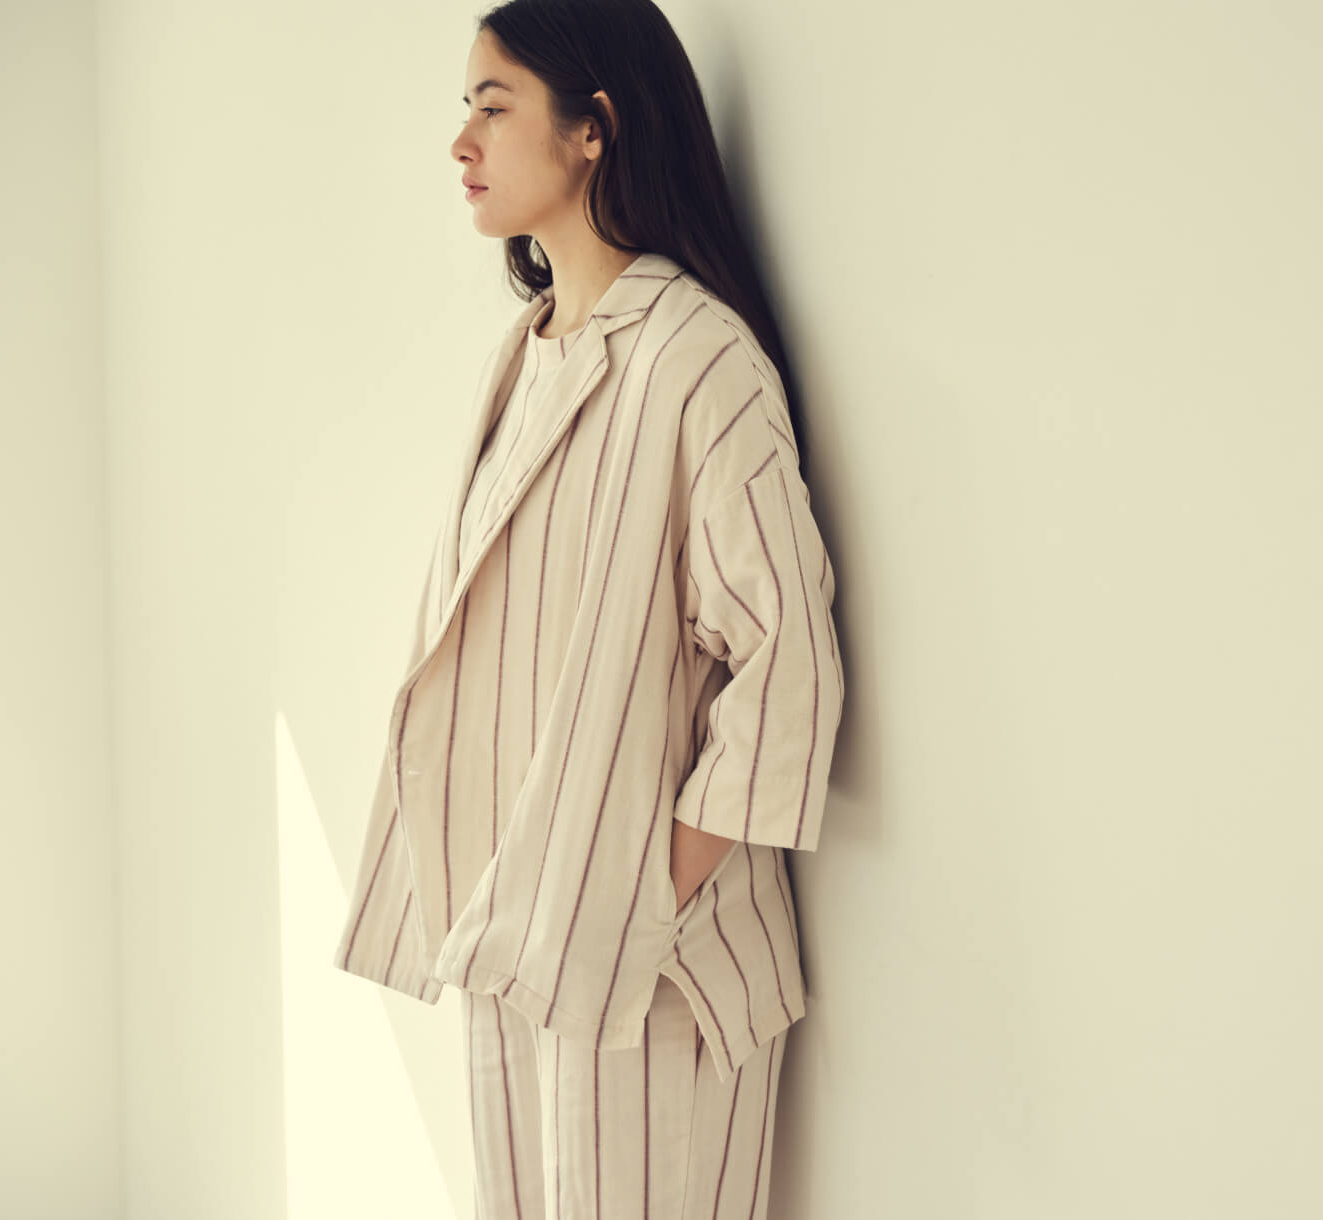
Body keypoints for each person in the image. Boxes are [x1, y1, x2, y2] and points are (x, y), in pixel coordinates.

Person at [331, 1, 846, 1216]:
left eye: (492, 106)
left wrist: (639, 887)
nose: (461, 141)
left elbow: (789, 669)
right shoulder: (523, 356)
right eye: (463, 108)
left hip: (644, 971)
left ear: (592, 129)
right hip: (514, 947)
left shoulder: (696, 359)